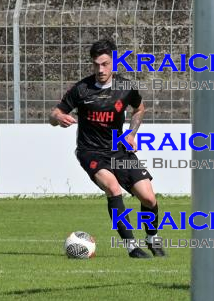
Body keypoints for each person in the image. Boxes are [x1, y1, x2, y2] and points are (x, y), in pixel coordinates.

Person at [49, 39, 165, 258]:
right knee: (113, 188)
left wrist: (132, 133)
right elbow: (53, 114)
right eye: (96, 65)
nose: (100, 69)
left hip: (118, 147)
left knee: (149, 198)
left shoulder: (125, 87)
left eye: (105, 64)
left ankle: (152, 239)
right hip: (90, 151)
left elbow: (139, 109)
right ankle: (132, 247)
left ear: (114, 62)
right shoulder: (81, 89)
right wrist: (59, 117)